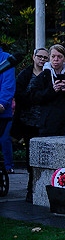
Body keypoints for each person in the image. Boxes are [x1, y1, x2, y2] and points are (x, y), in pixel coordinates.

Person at [13, 47, 49, 201]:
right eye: (39, 56)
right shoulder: (25, 75)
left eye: (45, 57)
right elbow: (19, 95)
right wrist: (34, 98)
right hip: (28, 121)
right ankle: (30, 188)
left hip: (44, 121)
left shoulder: (49, 74)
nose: (42, 60)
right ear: (34, 57)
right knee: (30, 156)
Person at [31, 44, 65, 136]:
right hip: (49, 124)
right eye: (53, 56)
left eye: (59, 57)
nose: (56, 59)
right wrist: (51, 91)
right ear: (49, 58)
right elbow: (34, 97)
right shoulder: (43, 76)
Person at [0, 45, 17, 173]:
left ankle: (8, 165)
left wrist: (2, 103)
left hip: (1, 112)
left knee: (4, 139)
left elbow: (8, 84)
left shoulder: (5, 59)